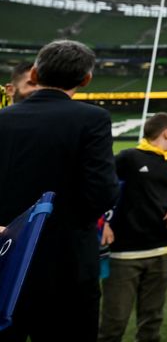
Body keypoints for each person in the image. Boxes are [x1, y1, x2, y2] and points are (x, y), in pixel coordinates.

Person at [0, 40, 120, 342]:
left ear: (35, 74)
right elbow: (103, 193)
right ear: (86, 79)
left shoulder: (3, 119)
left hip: (5, 258)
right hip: (68, 265)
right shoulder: (93, 118)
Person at [98, 113, 167, 342]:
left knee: (152, 321)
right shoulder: (128, 158)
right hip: (125, 255)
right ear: (166, 133)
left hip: (165, 251)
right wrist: (102, 222)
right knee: (113, 323)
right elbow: (97, 187)